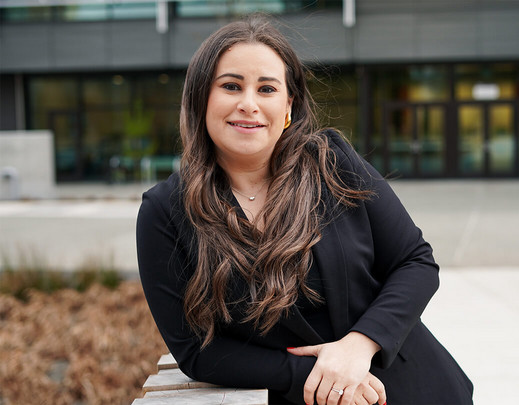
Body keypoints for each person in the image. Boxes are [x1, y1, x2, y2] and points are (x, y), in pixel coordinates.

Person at [136, 15, 473, 405]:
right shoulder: (165, 211)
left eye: (266, 88)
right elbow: (197, 351)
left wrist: (358, 347)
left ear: (288, 105)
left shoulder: (332, 162)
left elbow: (415, 262)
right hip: (301, 397)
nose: (249, 104)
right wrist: (317, 376)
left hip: (409, 386)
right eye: (231, 86)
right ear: (200, 98)